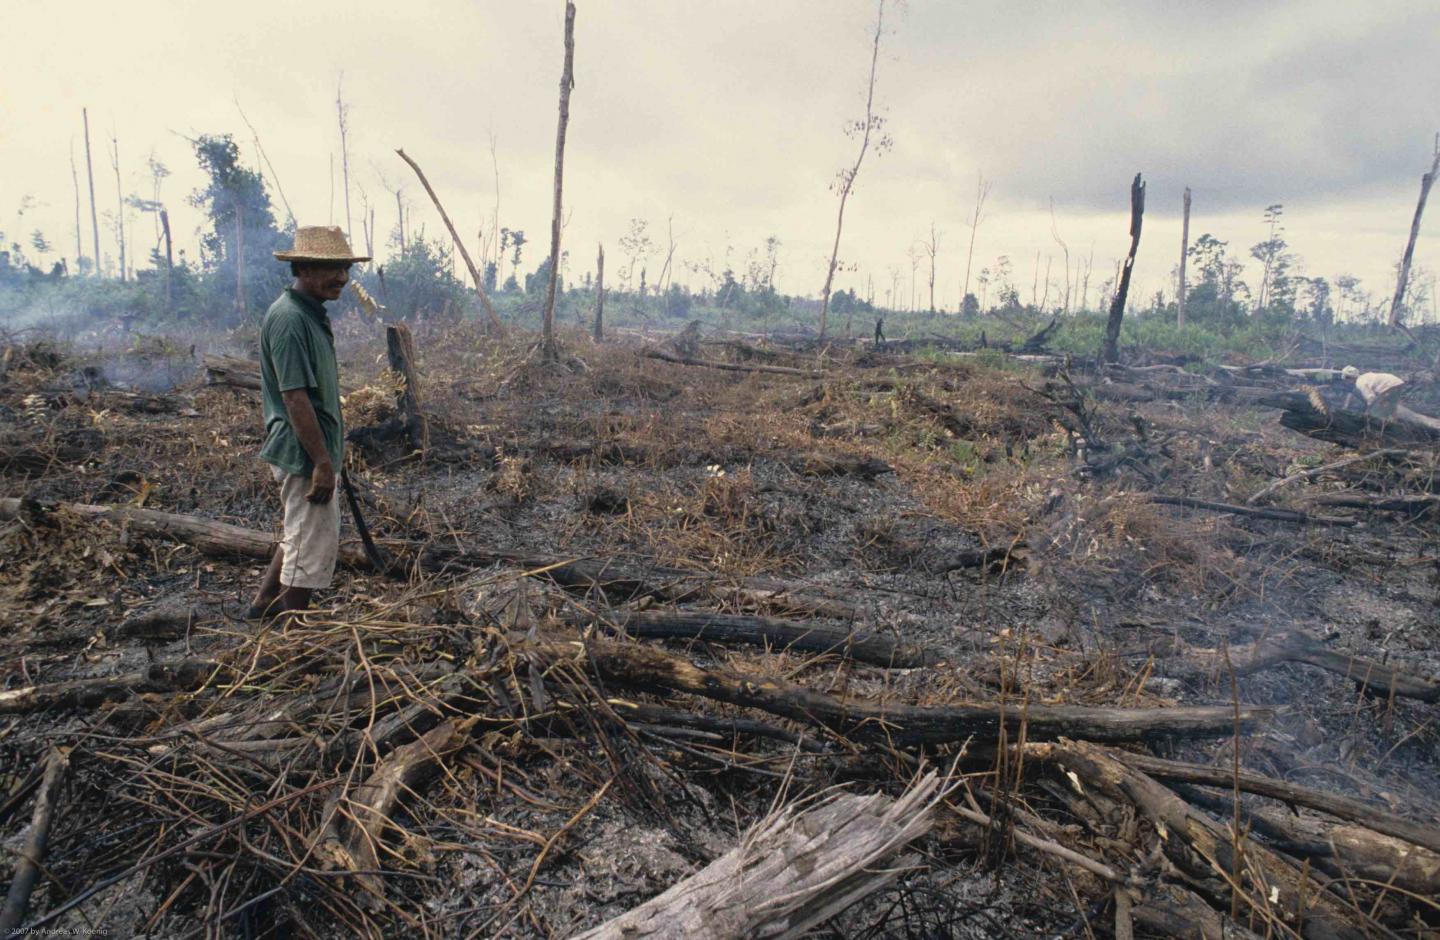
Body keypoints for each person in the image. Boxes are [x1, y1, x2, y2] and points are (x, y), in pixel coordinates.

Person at [246, 226, 369, 619]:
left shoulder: (309, 313)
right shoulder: (290, 319)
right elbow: (294, 397)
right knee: (311, 542)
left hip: (312, 450)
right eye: (330, 269)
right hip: (302, 453)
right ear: (301, 267)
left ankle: (263, 604)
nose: (342, 278)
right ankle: (292, 628)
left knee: (299, 531)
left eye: (345, 268)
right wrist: (321, 463)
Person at [1339, 365, 1406, 419]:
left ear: (1349, 378)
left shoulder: (1360, 383)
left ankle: (1382, 430)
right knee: (1390, 408)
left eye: (1346, 380)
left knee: (1376, 414)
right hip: (1397, 383)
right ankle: (1393, 423)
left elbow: (1371, 397)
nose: (1346, 382)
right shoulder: (1364, 377)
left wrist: (1368, 411)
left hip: (1389, 386)